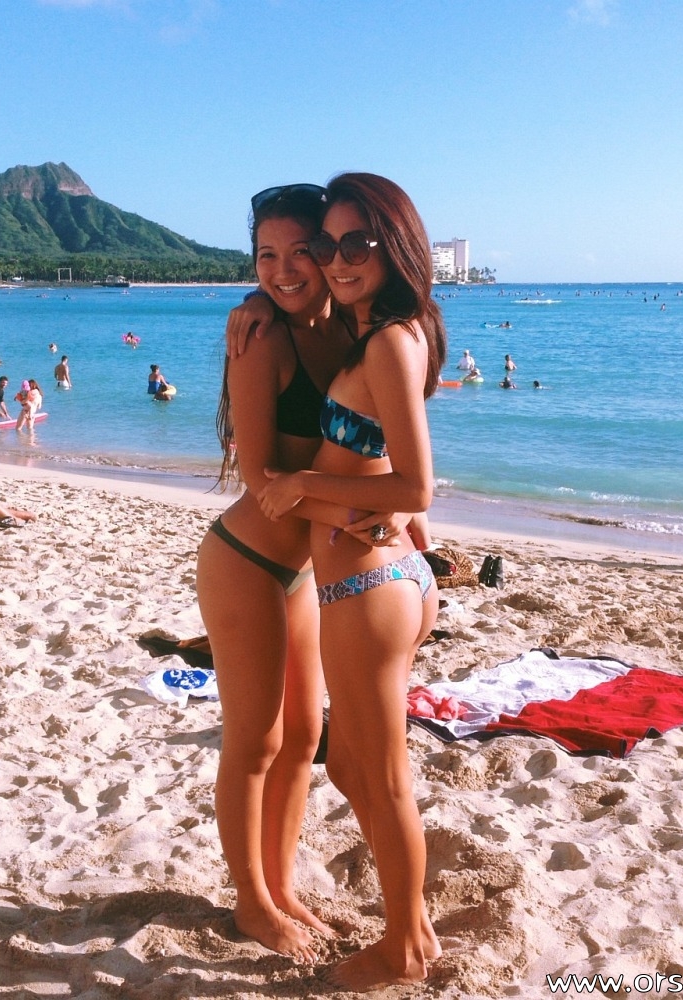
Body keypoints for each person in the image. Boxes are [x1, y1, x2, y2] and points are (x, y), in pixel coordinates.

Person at [196, 183, 409, 964]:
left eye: (299, 252)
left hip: (304, 569)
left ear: (327, 254)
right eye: (265, 256)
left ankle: (281, 886)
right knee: (255, 739)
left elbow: (377, 448)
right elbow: (261, 478)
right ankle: (251, 902)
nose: (283, 270)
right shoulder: (262, 339)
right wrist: (357, 509)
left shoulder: (354, 332)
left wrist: (396, 512)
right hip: (248, 561)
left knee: (304, 737)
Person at [257, 172, 446, 991]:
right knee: (349, 769)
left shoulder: (392, 341)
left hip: (368, 588)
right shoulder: (377, 332)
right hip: (379, 576)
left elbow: (415, 487)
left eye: (357, 243)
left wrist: (305, 486)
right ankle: (417, 924)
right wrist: (258, 305)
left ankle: (402, 949)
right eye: (327, 244)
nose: (337, 259)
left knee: (386, 778)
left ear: (395, 246)